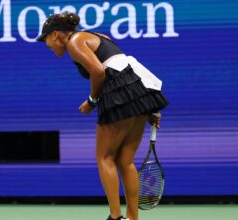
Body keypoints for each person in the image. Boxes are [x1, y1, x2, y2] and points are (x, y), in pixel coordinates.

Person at [37, 12, 169, 220]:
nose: (47, 46)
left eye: (46, 40)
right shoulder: (96, 36)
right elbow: (128, 68)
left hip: (118, 95)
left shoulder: (74, 41)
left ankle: (116, 217)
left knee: (105, 157)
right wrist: (150, 107)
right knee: (125, 161)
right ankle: (132, 218)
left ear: (55, 34)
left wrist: (92, 101)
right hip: (139, 92)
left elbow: (99, 72)